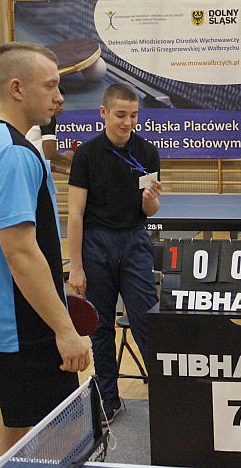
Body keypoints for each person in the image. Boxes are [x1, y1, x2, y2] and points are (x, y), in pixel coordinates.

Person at [0, 41, 91, 455]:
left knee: (9, 427)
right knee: (65, 433)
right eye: (50, 86)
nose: (59, 97)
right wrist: (64, 329)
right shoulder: (14, 154)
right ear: (17, 88)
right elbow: (20, 252)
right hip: (25, 323)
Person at [67, 82, 162, 424]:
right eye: (121, 115)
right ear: (103, 113)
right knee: (101, 328)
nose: (128, 122)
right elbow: (75, 214)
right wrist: (76, 267)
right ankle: (109, 397)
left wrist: (150, 198)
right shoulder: (87, 155)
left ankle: (166, 395)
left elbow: (150, 210)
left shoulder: (147, 153)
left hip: (135, 242)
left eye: (134, 115)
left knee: (147, 321)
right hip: (96, 245)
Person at [26, 90, 73, 175]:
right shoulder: (48, 118)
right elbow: (49, 154)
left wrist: (64, 170)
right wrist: (67, 158)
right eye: (59, 103)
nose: (62, 108)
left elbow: (43, 161)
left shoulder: (30, 117)